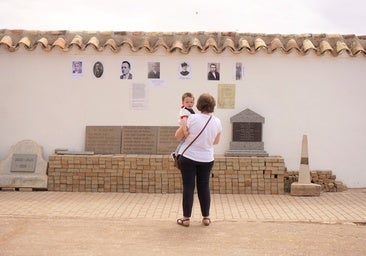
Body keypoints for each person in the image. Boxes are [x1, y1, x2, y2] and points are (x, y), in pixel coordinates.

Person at [175, 93, 222, 227]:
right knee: (204, 186)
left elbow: (177, 136)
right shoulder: (217, 122)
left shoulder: (191, 118)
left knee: (188, 187)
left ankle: (186, 219)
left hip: (189, 157)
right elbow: (216, 141)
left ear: (198, 105)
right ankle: (206, 217)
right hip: (207, 158)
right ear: (212, 106)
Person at [172, 92, 195, 159]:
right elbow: (184, 121)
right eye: (187, 102)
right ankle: (176, 154)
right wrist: (185, 131)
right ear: (183, 103)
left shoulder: (190, 110)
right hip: (184, 128)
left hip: (187, 128)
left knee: (185, 142)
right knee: (183, 142)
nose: (189, 104)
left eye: (191, 102)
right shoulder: (184, 111)